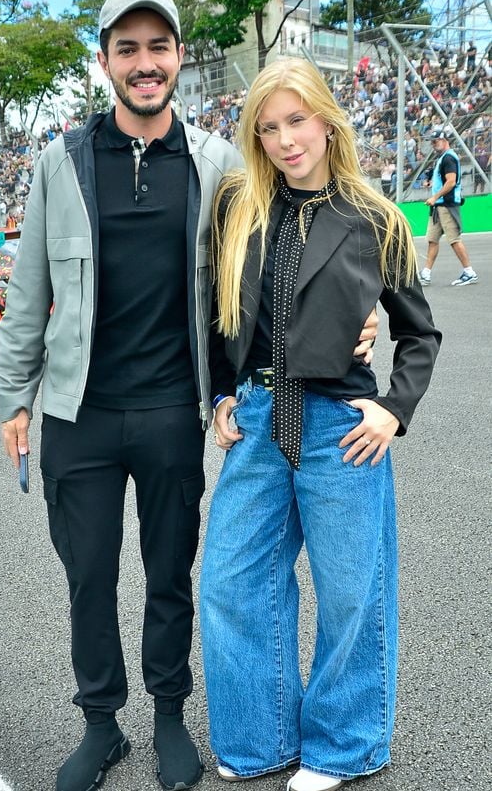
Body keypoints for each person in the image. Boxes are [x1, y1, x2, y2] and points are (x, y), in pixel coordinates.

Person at [0, 0, 243, 791]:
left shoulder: (217, 162)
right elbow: (28, 292)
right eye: (126, 49)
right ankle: (102, 725)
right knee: (88, 576)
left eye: (158, 47)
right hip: (79, 414)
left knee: (171, 572)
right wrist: (14, 399)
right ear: (103, 62)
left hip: (175, 409)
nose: (145, 64)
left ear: (178, 58)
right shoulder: (59, 161)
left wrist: (357, 322)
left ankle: (169, 715)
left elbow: (261, 272)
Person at [199, 59, 441, 791]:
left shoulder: (377, 219)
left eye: (296, 120)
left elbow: (420, 333)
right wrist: (219, 395)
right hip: (261, 415)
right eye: (268, 127)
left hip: (341, 422)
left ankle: (344, 747)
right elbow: (218, 316)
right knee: (232, 581)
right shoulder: (237, 208)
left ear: (328, 120)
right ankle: (260, 737)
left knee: (350, 592)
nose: (283, 139)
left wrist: (393, 407)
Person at [419, 130, 478, 287]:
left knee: (454, 240)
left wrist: (434, 197)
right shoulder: (442, 159)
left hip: (447, 205)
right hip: (439, 207)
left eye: (436, 140)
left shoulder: (449, 158)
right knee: (432, 240)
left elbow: (451, 182)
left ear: (444, 140)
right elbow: (444, 180)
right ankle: (426, 273)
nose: (433, 144)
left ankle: (469, 272)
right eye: (432, 141)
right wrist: (432, 184)